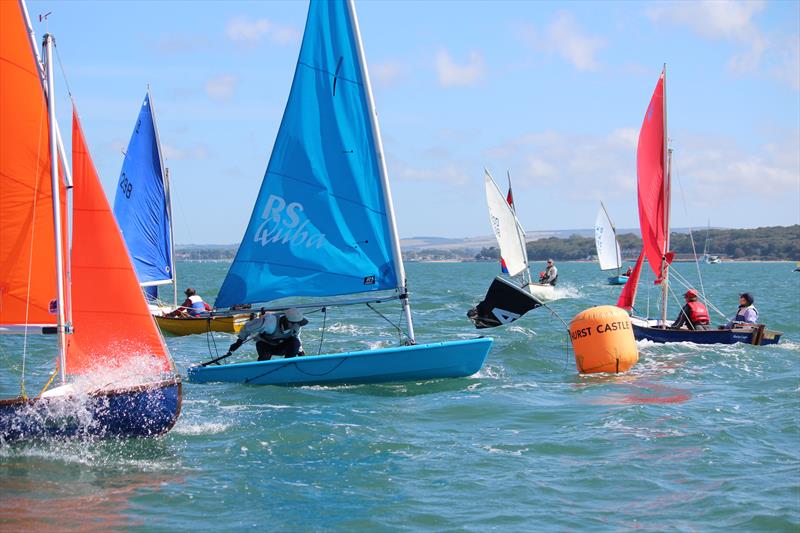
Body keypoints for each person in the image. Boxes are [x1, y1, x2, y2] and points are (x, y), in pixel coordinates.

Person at [226, 308, 309, 361]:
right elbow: (247, 327)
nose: (298, 325)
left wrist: (300, 351)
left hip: (281, 347)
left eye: (299, 323)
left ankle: (288, 365)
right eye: (295, 323)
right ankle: (259, 370)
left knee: (295, 342)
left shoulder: (297, 326)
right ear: (288, 321)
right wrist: (238, 342)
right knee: (265, 356)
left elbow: (296, 338)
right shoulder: (269, 322)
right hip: (265, 345)